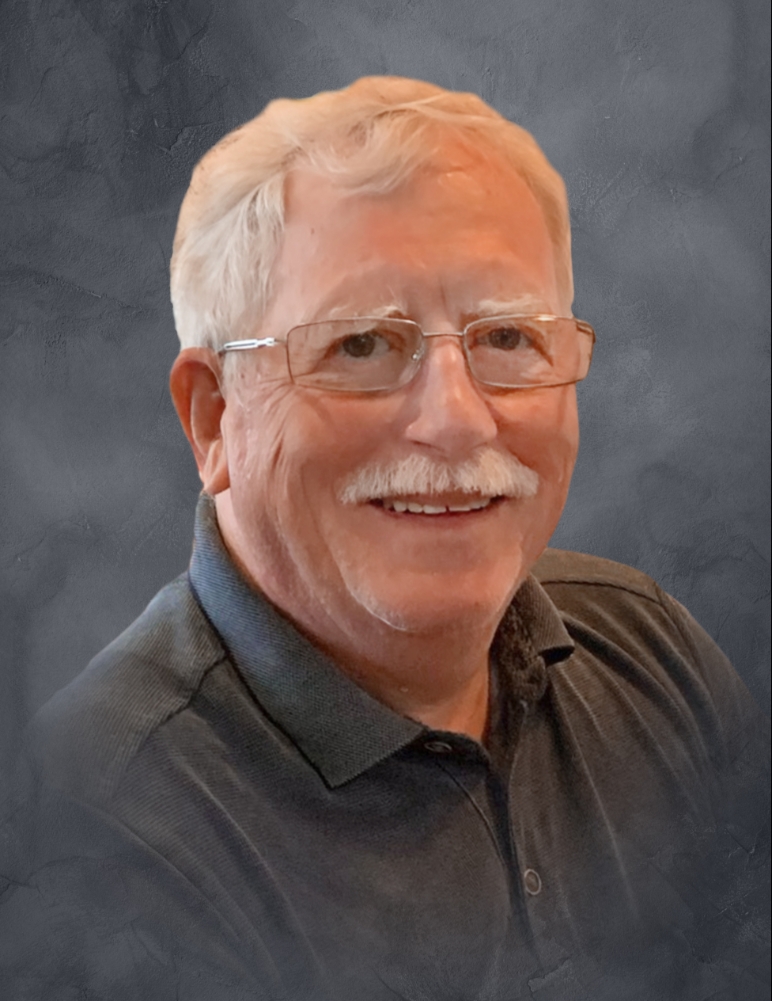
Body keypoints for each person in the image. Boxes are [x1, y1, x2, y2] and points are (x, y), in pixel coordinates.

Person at [1, 77, 768, 1001]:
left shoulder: (652, 653)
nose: (458, 420)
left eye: (508, 337)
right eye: (361, 344)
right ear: (213, 418)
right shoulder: (90, 834)